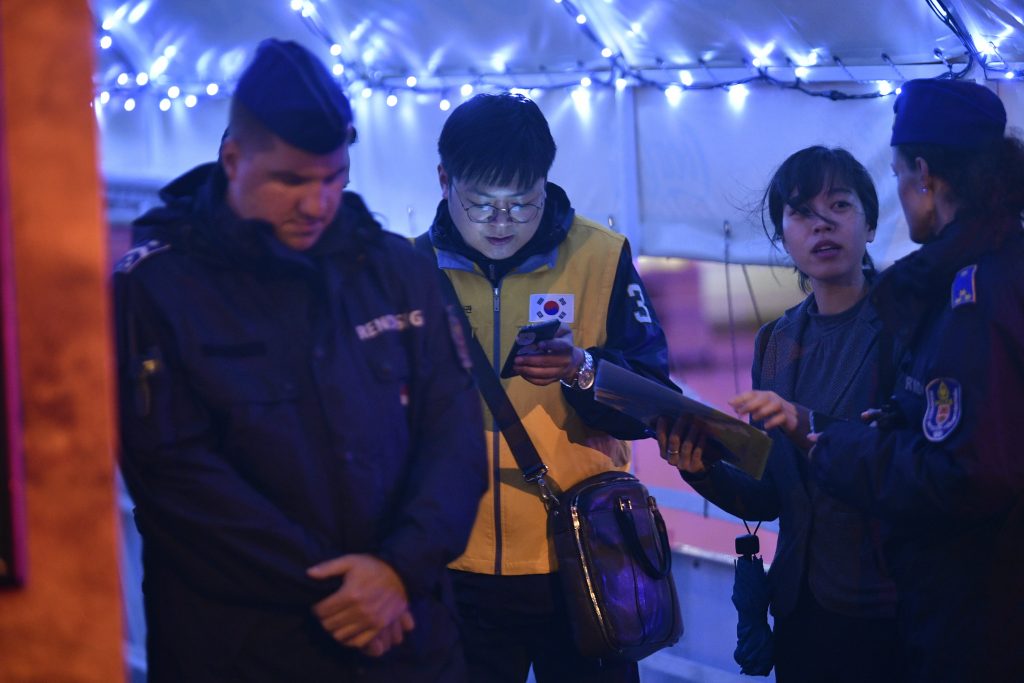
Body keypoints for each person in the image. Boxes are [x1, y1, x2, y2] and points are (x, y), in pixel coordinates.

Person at [113, 39, 487, 682]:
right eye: (290, 180)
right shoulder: (156, 288)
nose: (317, 203)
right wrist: (348, 590)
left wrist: (398, 569)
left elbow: (453, 437)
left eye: (333, 178)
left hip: (407, 640)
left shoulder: (397, 271)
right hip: (244, 648)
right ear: (233, 159)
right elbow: (176, 480)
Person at [418, 92, 674, 683]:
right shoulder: (410, 268)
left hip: (583, 557)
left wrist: (584, 369)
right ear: (443, 181)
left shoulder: (600, 257)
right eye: (481, 203)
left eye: (522, 202)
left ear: (546, 183)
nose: (501, 222)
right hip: (454, 564)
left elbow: (652, 403)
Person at [659, 146, 902, 681]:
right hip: (798, 602)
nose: (821, 226)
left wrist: (806, 425)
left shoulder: (907, 324)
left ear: (869, 221)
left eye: (839, 205)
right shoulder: (775, 341)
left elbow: (913, 465)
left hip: (891, 604)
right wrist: (698, 468)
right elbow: (768, 495)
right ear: (781, 235)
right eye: (800, 213)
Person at [809, 79, 1024, 681]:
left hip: (980, 613)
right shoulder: (1002, 262)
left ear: (925, 173)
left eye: (899, 175)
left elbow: (970, 472)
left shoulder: (973, 292)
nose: (902, 192)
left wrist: (844, 448)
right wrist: (906, 420)